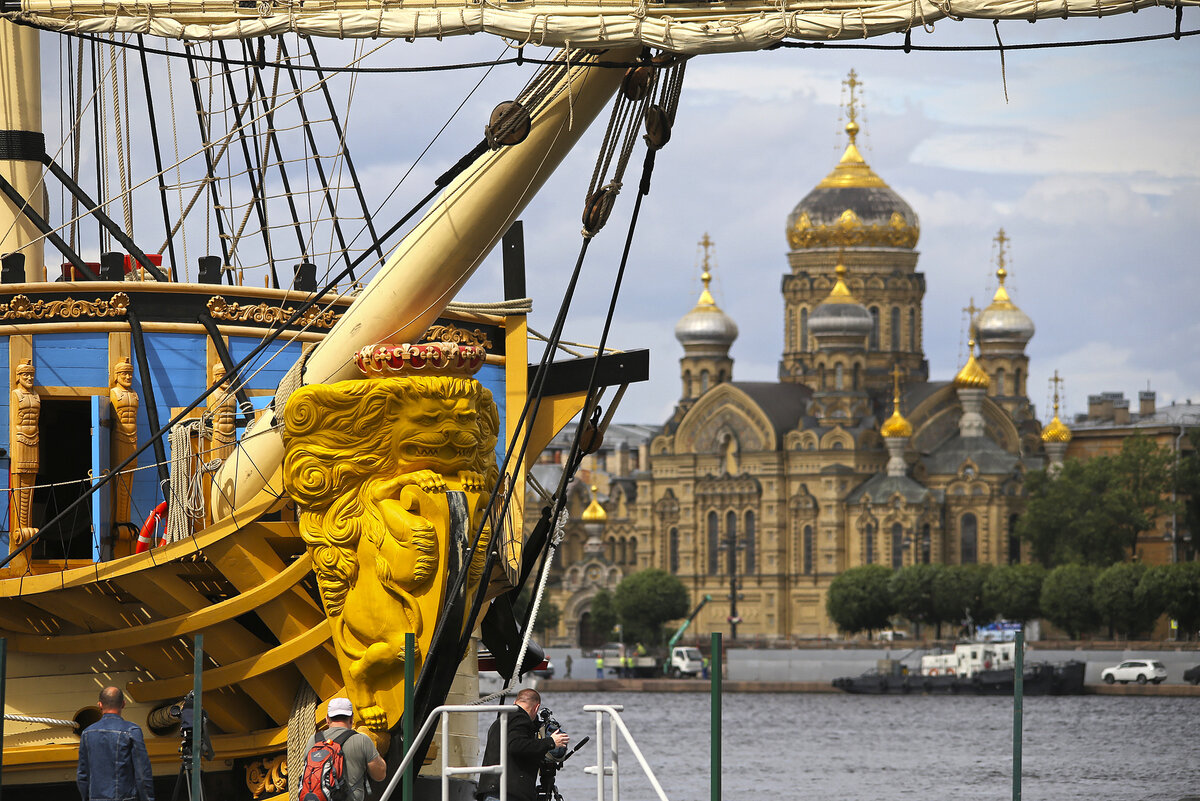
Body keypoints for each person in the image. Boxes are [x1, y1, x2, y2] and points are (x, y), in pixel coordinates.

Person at [477, 689, 568, 801]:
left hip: (494, 789)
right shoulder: (520, 719)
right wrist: (551, 742)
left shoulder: (504, 719)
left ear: (516, 701)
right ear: (536, 707)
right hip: (508, 793)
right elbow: (517, 745)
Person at [77, 686, 155, 801]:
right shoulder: (132, 731)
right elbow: (142, 773)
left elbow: (82, 776)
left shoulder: (87, 733)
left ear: (100, 705)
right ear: (123, 704)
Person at [305, 698, 386, 801]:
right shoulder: (361, 740)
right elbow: (380, 775)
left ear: (327, 719)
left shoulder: (313, 740)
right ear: (351, 719)